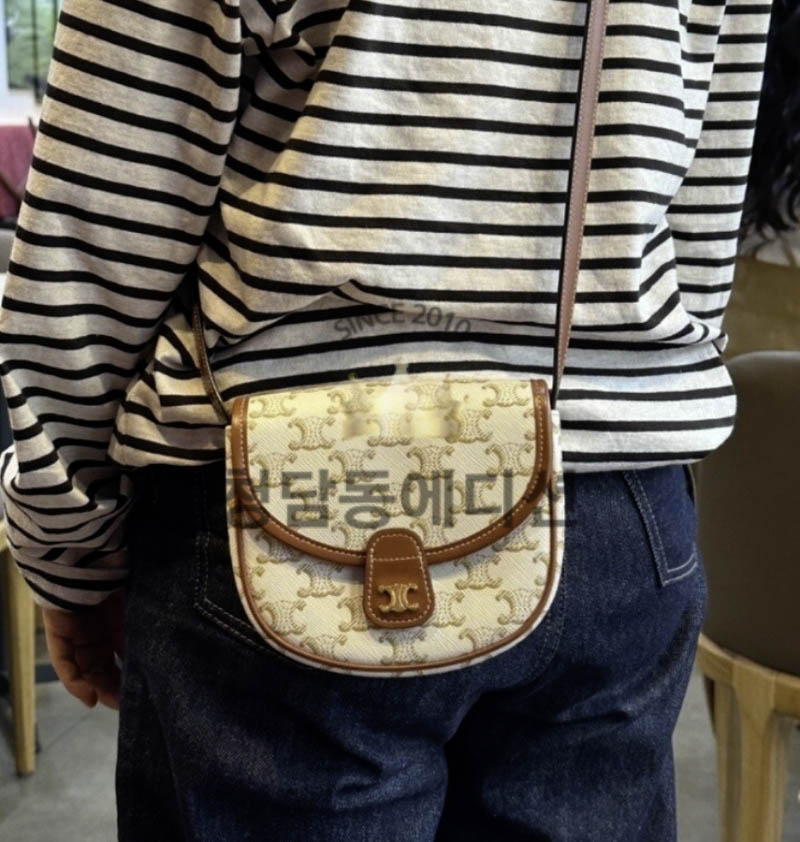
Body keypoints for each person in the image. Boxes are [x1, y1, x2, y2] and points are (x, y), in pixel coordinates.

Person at [0, 0, 779, 839]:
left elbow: (97, 234)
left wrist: (68, 547)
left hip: (281, 501)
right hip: (616, 508)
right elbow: (704, 212)